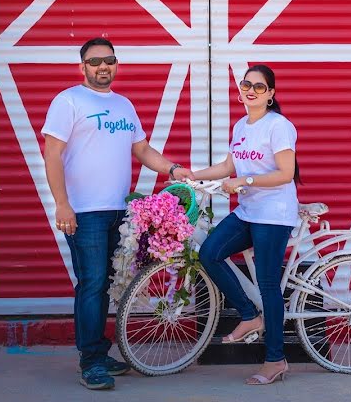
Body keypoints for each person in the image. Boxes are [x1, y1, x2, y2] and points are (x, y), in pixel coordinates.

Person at [41, 37, 193, 390]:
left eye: (108, 60)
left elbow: (141, 148)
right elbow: (52, 154)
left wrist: (173, 170)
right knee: (92, 283)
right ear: (83, 68)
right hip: (85, 211)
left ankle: (98, 350)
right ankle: (90, 362)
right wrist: (63, 204)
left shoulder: (124, 105)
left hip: (120, 211)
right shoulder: (69, 100)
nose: (102, 67)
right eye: (95, 62)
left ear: (116, 64)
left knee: (107, 284)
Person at [192, 64, 301, 386]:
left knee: (268, 285)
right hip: (249, 211)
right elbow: (228, 165)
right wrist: (193, 175)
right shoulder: (241, 125)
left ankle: (275, 360)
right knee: (209, 252)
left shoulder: (279, 126)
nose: (250, 90)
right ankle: (249, 316)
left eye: (259, 86)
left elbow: (285, 173)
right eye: (246, 84)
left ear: (270, 95)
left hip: (274, 214)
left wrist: (246, 179)